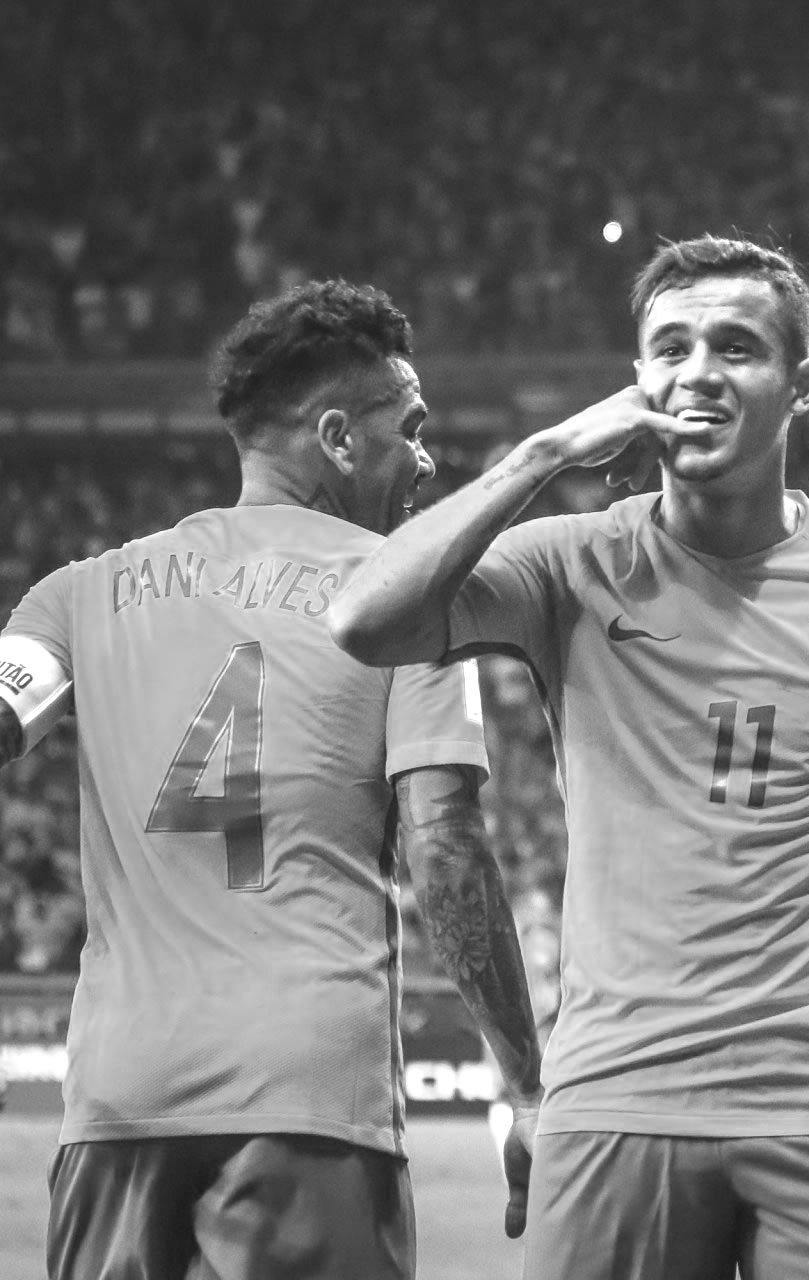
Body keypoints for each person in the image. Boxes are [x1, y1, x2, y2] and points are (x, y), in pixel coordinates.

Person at [328, 235, 809, 1280]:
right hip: (617, 1094)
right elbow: (363, 621)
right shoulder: (572, 561)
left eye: (736, 347)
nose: (698, 371)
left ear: (801, 385)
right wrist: (544, 455)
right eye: (671, 348)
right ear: (637, 378)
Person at [0, 280, 544, 1280]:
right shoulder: (407, 604)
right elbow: (447, 847)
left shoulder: (77, 593)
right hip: (309, 1096)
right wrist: (525, 1080)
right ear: (337, 437)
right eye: (411, 427)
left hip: (117, 1099)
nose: (426, 458)